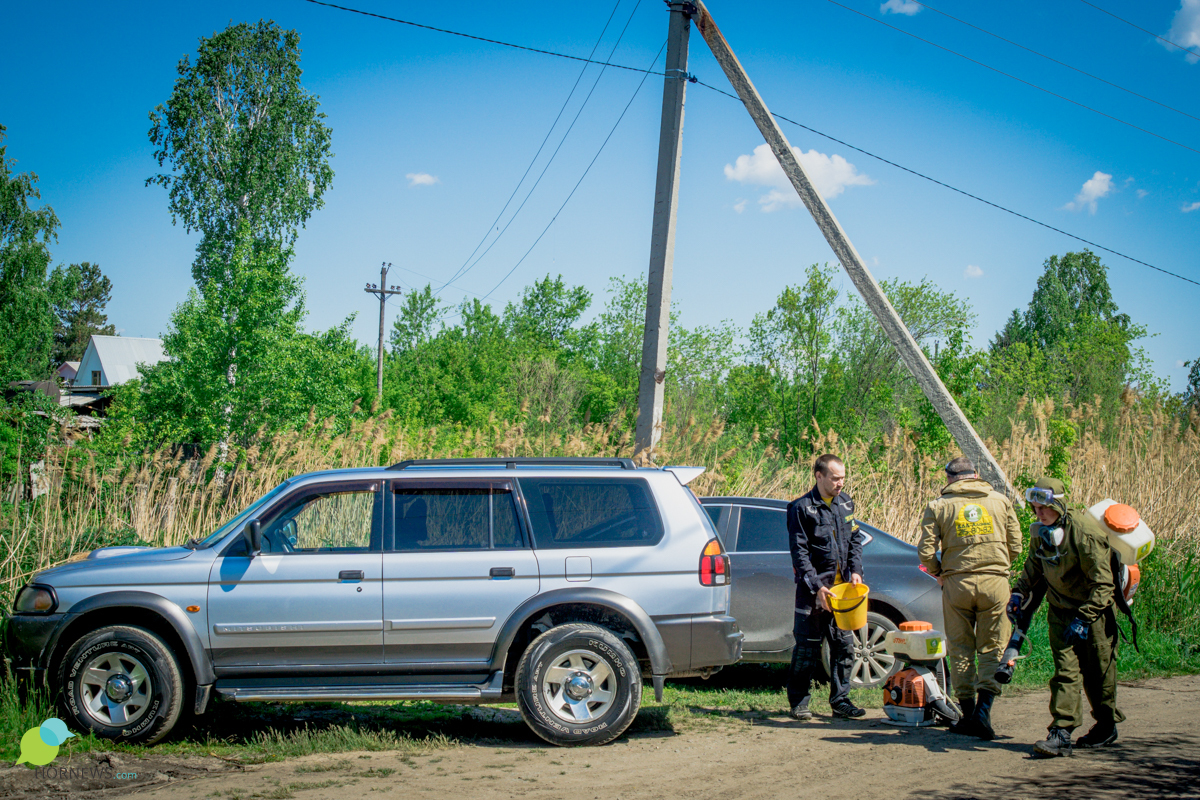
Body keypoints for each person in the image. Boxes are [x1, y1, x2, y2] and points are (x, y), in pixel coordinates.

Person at [1011, 476, 1125, 758]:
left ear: (1059, 507)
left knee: (1098, 674)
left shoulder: (1085, 535)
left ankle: (1106, 723)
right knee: (1065, 673)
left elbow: (1104, 585)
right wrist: (1018, 593)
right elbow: (1033, 567)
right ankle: (1061, 733)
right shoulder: (1040, 531)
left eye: (1043, 509)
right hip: (1060, 612)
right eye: (1034, 509)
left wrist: (1084, 618)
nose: (1038, 514)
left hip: (1092, 614)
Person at [917, 456, 1022, 740]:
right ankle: (984, 713)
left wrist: (941, 572)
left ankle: (968, 714)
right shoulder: (1000, 501)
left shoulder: (938, 506)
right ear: (975, 475)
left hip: (956, 584)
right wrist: (998, 567)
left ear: (950, 478)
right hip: (995, 583)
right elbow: (1017, 545)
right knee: (992, 648)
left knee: (961, 649)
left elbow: (926, 552)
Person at [785, 453, 865, 721]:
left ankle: (840, 700)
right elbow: (800, 554)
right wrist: (817, 586)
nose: (840, 483)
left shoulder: (846, 503)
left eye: (843, 477)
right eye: (835, 478)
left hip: (843, 596)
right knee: (806, 650)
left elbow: (855, 541)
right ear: (819, 476)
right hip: (813, 595)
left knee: (844, 649)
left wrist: (856, 572)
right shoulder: (801, 508)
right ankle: (799, 702)